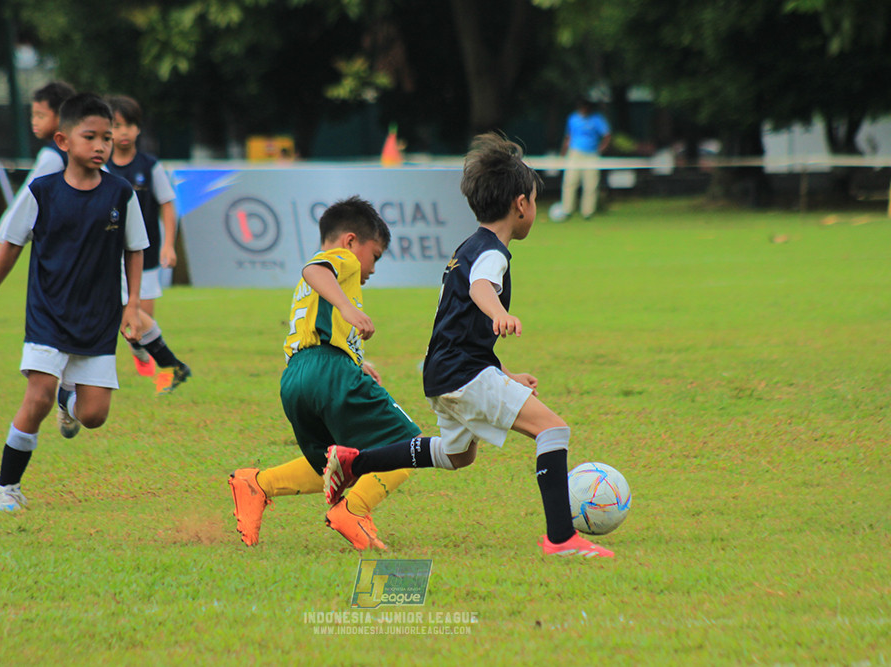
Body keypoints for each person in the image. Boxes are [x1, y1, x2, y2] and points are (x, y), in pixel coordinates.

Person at [324, 133, 614, 558]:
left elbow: (462, 327)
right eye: (534, 200)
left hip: (444, 371)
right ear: (521, 205)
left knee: (458, 455)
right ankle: (561, 539)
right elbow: (480, 290)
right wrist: (499, 311)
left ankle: (355, 461)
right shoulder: (492, 254)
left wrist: (504, 375)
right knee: (552, 429)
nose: (534, 209)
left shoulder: (467, 248)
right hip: (460, 373)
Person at [0, 93, 149, 512]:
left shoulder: (121, 194)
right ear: (64, 141)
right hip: (48, 314)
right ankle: (6, 487)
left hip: (98, 319)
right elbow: (11, 247)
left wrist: (132, 303)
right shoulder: (41, 192)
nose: (102, 145)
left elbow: (135, 248)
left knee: (95, 416)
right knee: (37, 397)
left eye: (106, 137)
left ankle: (71, 401)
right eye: (91, 137)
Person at [228, 196, 419, 550]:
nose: (373, 269)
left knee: (333, 465)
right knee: (407, 447)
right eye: (374, 256)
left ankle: (258, 484)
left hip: (297, 377)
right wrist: (348, 309)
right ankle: (353, 510)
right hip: (327, 372)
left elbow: (320, 327)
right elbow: (314, 270)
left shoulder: (326, 286)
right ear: (350, 241)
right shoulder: (341, 259)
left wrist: (358, 364)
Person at [105, 95, 191, 392]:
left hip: (147, 254)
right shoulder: (101, 166)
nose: (123, 132)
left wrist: (169, 245)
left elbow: (168, 204)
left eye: (129, 125)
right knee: (126, 315)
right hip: (113, 255)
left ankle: (165, 373)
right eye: (117, 125)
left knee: (142, 320)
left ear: (138, 129)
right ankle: (164, 365)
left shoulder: (150, 165)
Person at [0, 81, 76, 267]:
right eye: (33, 115)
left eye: (41, 116)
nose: (34, 121)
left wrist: (2, 237)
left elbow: (27, 198)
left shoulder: (54, 156)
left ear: (62, 117)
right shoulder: (82, 147)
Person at [559, 98, 611, 220]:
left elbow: (607, 135)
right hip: (575, 153)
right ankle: (567, 210)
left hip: (591, 154)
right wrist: (564, 152)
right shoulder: (573, 118)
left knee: (591, 184)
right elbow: (568, 136)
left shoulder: (597, 119)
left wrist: (601, 148)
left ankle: (588, 212)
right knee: (570, 182)